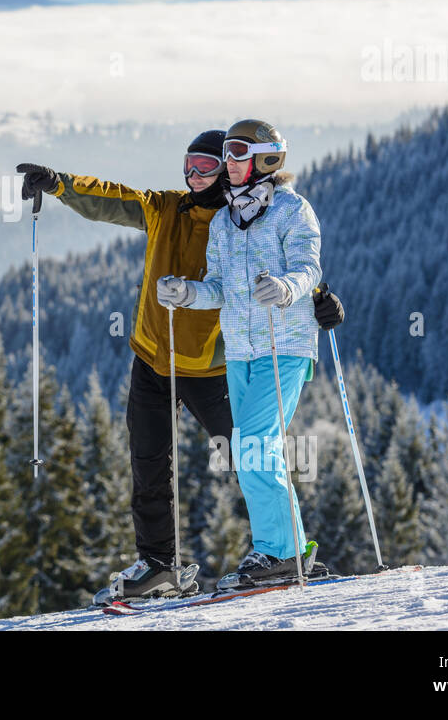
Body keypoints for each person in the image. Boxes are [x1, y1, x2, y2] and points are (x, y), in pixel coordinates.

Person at [17, 130, 343, 602]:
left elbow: (288, 264)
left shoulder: (240, 217)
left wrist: (317, 297)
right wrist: (61, 184)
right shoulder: (170, 209)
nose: (194, 176)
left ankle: (288, 550)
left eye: (205, 167)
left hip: (211, 366)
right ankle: (159, 564)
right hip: (152, 358)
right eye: (188, 165)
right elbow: (115, 199)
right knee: (148, 463)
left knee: (252, 451)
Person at [157, 119, 333, 588]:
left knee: (255, 446)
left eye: (238, 153)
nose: (229, 163)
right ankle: (285, 549)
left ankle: (281, 552)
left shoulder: (293, 210)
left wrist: (286, 287)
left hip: (286, 345)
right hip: (240, 350)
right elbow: (219, 287)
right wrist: (187, 294)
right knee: (252, 449)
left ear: (266, 159)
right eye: (229, 154)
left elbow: (308, 269)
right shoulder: (223, 221)